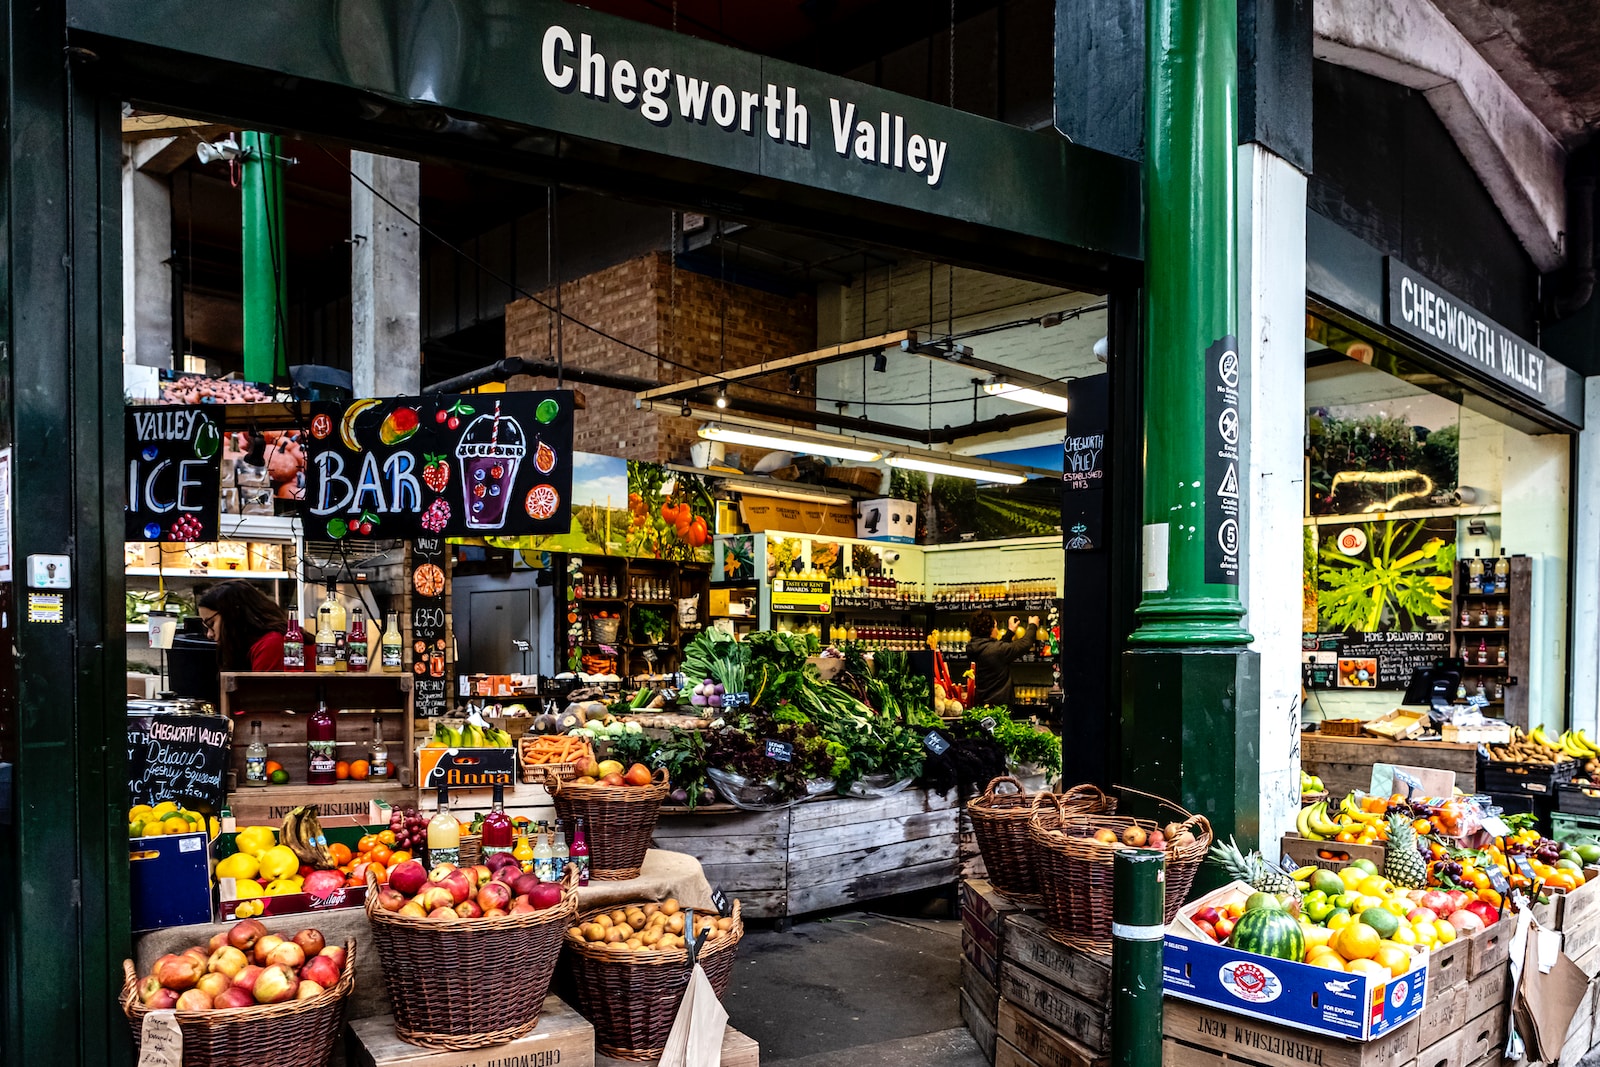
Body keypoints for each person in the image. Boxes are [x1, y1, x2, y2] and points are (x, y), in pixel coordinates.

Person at [197, 580, 291, 672]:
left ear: (233, 615)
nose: (209, 634)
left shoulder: (271, 645)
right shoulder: (250, 647)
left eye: (211, 624)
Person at [966, 610, 1040, 709]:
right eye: (996, 627)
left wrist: (1010, 632)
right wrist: (1032, 625)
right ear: (991, 629)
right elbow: (1025, 643)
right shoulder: (996, 651)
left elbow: (994, 650)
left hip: (981, 704)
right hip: (999, 708)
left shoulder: (973, 648)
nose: (997, 630)